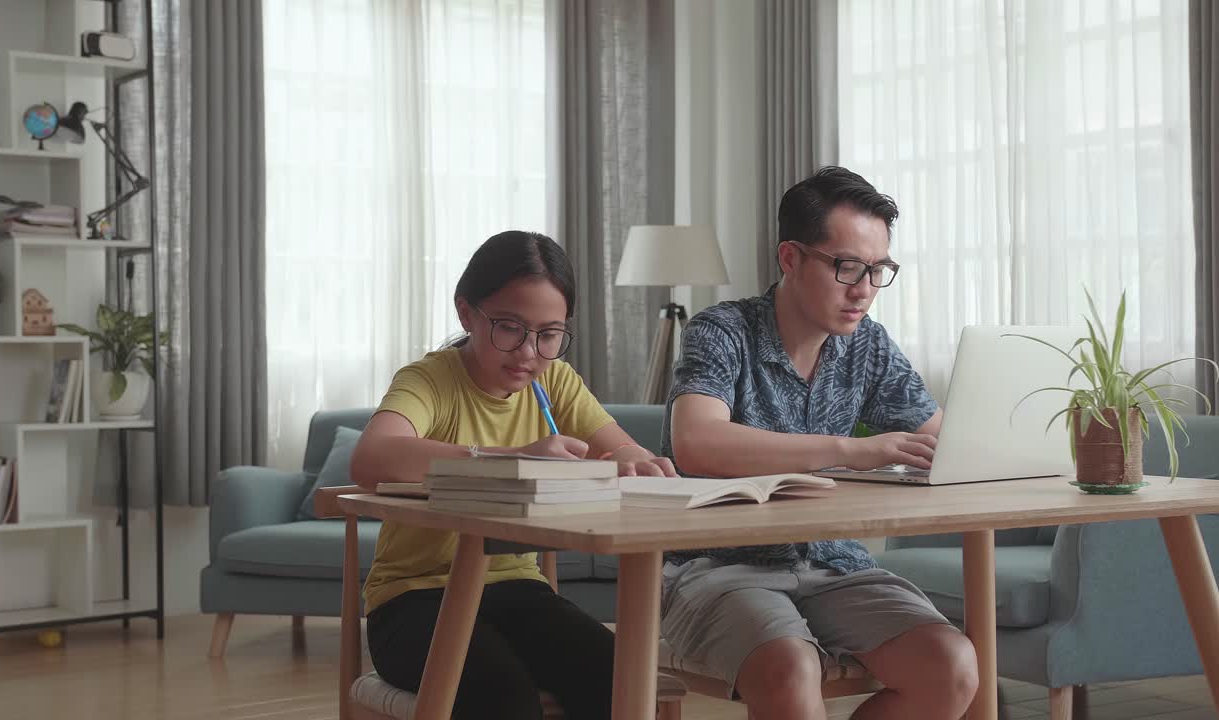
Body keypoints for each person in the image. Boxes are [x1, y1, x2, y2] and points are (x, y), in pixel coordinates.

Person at [661, 166, 978, 720]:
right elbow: (698, 442)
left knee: (950, 666)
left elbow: (943, 441)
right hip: (717, 565)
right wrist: (854, 448)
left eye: (879, 270)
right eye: (847, 267)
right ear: (791, 258)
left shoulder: (868, 345)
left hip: (835, 562)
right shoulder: (722, 331)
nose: (863, 290)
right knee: (789, 668)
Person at [350, 230, 676, 720]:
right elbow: (372, 458)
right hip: (412, 601)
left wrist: (634, 461)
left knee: (618, 678)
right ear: (467, 313)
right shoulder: (430, 380)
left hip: (516, 590)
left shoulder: (556, 379)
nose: (529, 352)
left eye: (549, 335)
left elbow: (622, 446)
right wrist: (514, 458)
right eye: (509, 327)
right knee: (502, 696)